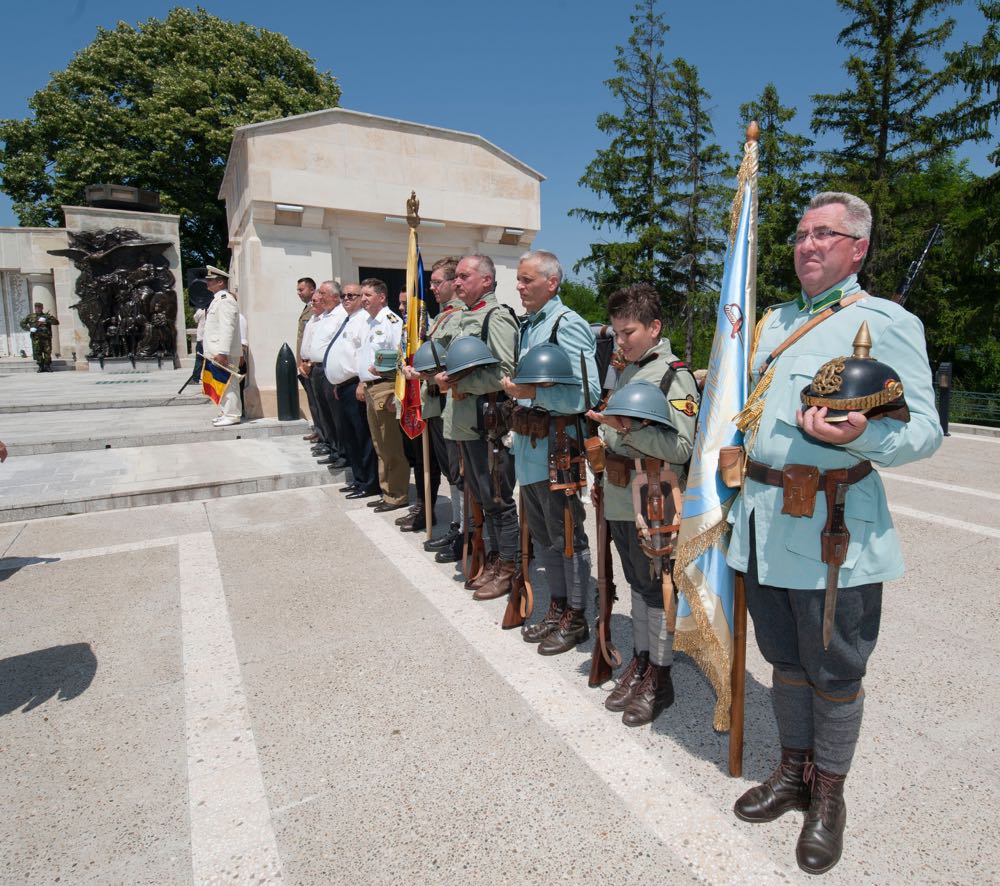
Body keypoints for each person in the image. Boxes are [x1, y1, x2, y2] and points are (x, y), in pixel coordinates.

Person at [727, 192, 942, 875]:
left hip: (831, 528)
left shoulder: (886, 321)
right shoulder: (769, 323)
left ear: (859, 248)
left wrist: (865, 433)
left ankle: (829, 794)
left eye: (827, 234)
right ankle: (792, 770)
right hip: (760, 516)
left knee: (836, 667)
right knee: (784, 659)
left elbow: (927, 429)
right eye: (801, 234)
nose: (809, 244)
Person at [586, 283, 699, 723]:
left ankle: (661, 676)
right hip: (620, 496)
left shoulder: (674, 375)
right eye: (616, 333)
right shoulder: (627, 369)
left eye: (629, 332)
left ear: (655, 327)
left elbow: (682, 446)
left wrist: (624, 430)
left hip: (655, 497)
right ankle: (642, 659)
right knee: (638, 584)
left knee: (658, 587)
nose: (621, 341)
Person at [501, 250, 600, 655]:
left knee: (566, 535)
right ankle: (559, 607)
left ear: (552, 283)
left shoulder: (567, 324)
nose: (519, 287)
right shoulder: (529, 327)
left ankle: (577, 616)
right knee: (543, 535)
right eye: (519, 280)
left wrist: (532, 392)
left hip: (556, 448)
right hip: (529, 448)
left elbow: (588, 392)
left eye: (527, 280)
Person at [436, 254, 519, 599]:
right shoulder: (465, 316)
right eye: (454, 277)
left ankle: (509, 568)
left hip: (488, 424)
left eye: (464, 276)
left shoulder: (497, 318)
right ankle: (496, 559)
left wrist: (459, 382)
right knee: (485, 499)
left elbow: (507, 373)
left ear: (486, 280)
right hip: (467, 424)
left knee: (498, 498)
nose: (457, 282)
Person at [400, 257, 467, 536]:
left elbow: (455, 361)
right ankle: (456, 525)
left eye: (438, 282)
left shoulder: (461, 316)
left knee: (457, 470)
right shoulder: (439, 317)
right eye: (432, 282)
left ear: (454, 283)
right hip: (433, 402)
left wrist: (423, 374)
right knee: (447, 466)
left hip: (449, 401)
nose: (433, 288)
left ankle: (463, 529)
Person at [357, 278, 408, 513]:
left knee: (390, 445)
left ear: (382, 297)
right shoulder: (368, 322)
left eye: (368, 295)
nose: (363, 299)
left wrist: (394, 394)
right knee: (379, 445)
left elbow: (400, 357)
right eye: (362, 294)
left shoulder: (391, 322)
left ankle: (397, 494)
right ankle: (387, 490)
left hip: (384, 387)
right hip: (371, 387)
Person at [326, 283, 379, 499]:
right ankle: (358, 479)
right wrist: (338, 383)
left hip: (356, 385)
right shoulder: (348, 320)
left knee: (362, 437)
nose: (346, 299)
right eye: (343, 296)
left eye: (351, 295)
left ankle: (370, 482)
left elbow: (365, 354)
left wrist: (362, 382)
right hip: (344, 387)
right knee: (350, 438)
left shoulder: (364, 321)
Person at [202, 266, 243, 427]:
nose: (207, 282)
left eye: (211, 280)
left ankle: (232, 414)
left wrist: (223, 351)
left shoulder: (226, 300)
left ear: (220, 282)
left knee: (228, 382)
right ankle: (226, 411)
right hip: (216, 351)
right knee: (220, 383)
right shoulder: (218, 299)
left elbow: (228, 327)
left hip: (222, 352)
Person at [294, 277, 320, 442]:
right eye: (298, 290)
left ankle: (322, 432)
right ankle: (318, 429)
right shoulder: (307, 309)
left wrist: (306, 362)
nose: (298, 293)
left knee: (317, 401)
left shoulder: (315, 309)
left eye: (301, 290)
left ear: (312, 289)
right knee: (312, 400)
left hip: (311, 364)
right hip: (304, 363)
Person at [20, 302, 59, 372]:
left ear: (42, 308)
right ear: (35, 308)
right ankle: (41, 366)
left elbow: (56, 322)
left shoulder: (46, 316)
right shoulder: (30, 316)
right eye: (36, 307)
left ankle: (47, 366)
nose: (38, 309)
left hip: (46, 338)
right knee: (38, 352)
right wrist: (29, 329)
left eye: (39, 307)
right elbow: (22, 323)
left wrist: (47, 320)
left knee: (47, 352)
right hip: (36, 338)